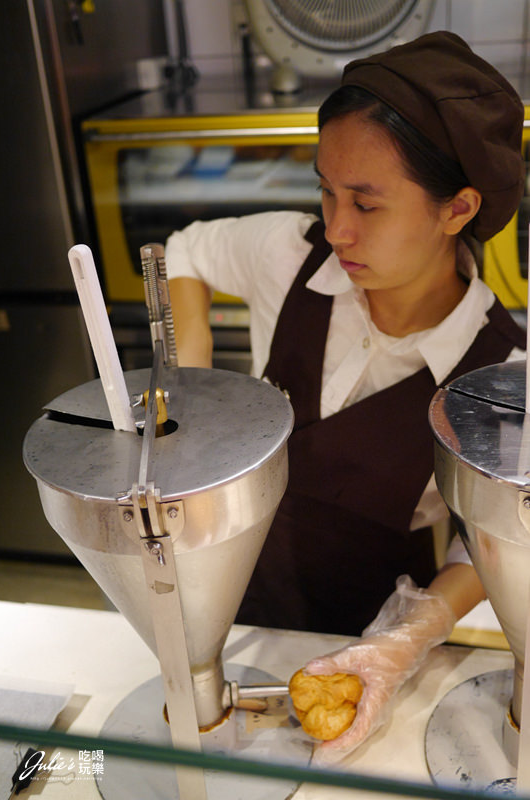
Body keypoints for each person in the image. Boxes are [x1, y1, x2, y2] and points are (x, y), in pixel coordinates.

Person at [165, 31, 526, 762]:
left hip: (368, 644)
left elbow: (494, 540)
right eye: (325, 191)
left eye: (366, 203)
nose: (336, 228)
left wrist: (404, 642)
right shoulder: (290, 256)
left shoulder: (501, 371)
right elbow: (187, 250)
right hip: (232, 603)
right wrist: (189, 385)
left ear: (457, 209)